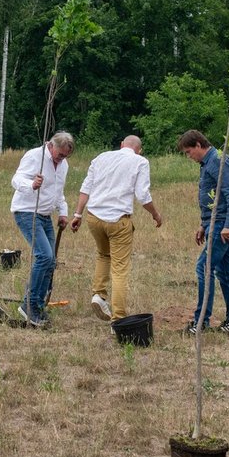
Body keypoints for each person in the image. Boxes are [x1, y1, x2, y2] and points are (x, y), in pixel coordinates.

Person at [70, 135, 162, 323]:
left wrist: (77, 215)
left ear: (121, 145)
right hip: (118, 220)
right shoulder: (140, 161)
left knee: (104, 255)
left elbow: (85, 188)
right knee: (119, 269)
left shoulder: (101, 157)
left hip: (93, 217)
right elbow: (143, 195)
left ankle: (99, 295)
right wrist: (155, 214)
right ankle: (118, 318)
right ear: (139, 149)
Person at [177, 130, 229, 335]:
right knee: (224, 272)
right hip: (216, 222)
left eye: (189, 152)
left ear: (199, 145)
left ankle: (201, 322)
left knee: (203, 268)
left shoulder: (217, 161)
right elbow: (213, 198)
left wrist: (228, 226)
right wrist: (204, 224)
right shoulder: (207, 164)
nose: (189, 156)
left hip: (225, 224)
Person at [10, 131, 74, 328]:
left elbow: (58, 192)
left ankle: (37, 306)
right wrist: (31, 184)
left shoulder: (63, 165)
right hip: (27, 211)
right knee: (44, 256)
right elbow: (16, 179)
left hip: (46, 215)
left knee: (51, 261)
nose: (62, 159)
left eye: (65, 156)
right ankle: (28, 306)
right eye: (60, 155)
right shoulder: (34, 156)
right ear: (51, 146)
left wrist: (62, 212)